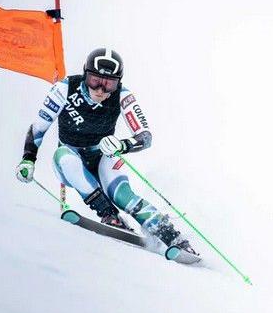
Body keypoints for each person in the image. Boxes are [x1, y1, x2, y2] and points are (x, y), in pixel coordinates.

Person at [16, 48, 196, 253]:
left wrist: (122, 145)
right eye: (95, 80)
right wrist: (28, 158)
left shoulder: (122, 95)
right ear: (85, 74)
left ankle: (173, 236)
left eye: (109, 83)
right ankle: (109, 214)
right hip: (70, 158)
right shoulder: (64, 88)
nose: (101, 90)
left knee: (123, 196)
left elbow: (145, 137)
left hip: (103, 155)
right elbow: (38, 128)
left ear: (118, 82)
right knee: (64, 157)